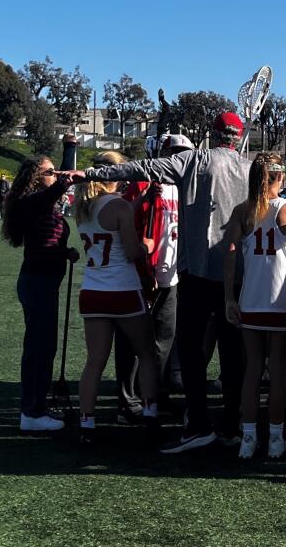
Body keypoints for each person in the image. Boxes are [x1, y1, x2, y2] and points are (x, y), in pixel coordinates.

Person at [66, 112, 249, 453]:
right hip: (237, 272)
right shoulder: (249, 167)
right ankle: (232, 424)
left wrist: (91, 173)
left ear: (212, 132)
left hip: (195, 271)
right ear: (237, 136)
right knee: (233, 354)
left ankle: (197, 424)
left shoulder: (195, 160)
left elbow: (140, 169)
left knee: (192, 351)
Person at [223, 152, 286, 460]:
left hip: (251, 299)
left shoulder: (243, 211)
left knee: (252, 370)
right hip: (282, 300)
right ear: (279, 176)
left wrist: (229, 297)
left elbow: (230, 253)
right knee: (280, 371)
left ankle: (248, 437)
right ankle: (275, 437)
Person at [74, 152, 160, 444]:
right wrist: (148, 245)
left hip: (93, 291)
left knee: (94, 362)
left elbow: (108, 224)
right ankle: (150, 413)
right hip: (123, 289)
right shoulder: (119, 206)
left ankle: (87, 422)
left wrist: (137, 201)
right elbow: (133, 250)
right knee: (146, 353)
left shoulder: (83, 206)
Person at [112, 134, 192, 423]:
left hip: (171, 276)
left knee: (163, 341)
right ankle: (127, 398)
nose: (179, 157)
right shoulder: (145, 184)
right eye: (175, 152)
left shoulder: (187, 187)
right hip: (142, 274)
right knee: (133, 341)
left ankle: (155, 396)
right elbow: (129, 228)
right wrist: (144, 267)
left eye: (184, 152)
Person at [1, 142, 78, 432]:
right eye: (49, 171)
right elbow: (56, 191)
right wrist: (68, 161)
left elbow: (46, 243)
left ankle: (35, 407)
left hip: (43, 281)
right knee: (39, 349)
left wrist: (64, 252)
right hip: (38, 283)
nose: (55, 174)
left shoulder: (40, 203)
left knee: (43, 347)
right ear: (36, 177)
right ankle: (32, 412)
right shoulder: (34, 201)